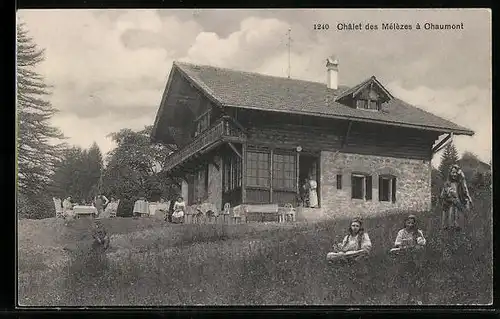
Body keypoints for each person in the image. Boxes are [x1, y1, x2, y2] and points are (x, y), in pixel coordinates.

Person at [327, 217, 372, 302]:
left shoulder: (363, 235)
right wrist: (338, 247)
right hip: (347, 254)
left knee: (346, 255)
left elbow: (367, 247)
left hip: (358, 253)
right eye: (353, 225)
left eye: (357, 226)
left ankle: (343, 258)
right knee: (330, 255)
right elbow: (344, 248)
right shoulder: (347, 237)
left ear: (360, 227)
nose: (354, 227)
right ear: (350, 226)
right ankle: (342, 258)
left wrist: (357, 252)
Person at [390, 214, 428, 305]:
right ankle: (400, 296)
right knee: (401, 275)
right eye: (408, 222)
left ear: (414, 224)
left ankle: (416, 297)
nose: (410, 225)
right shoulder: (401, 232)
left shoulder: (418, 232)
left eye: (412, 223)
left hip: (415, 256)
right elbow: (396, 243)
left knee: (415, 276)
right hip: (404, 255)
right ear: (405, 223)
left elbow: (423, 242)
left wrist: (420, 241)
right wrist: (403, 243)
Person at [440, 164, 472, 232]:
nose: (454, 174)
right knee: (449, 226)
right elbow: (442, 196)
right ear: (450, 173)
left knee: (458, 226)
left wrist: (462, 178)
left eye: (456, 172)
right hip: (449, 206)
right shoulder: (447, 183)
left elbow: (465, 192)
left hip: (458, 206)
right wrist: (450, 198)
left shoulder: (460, 184)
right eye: (453, 172)